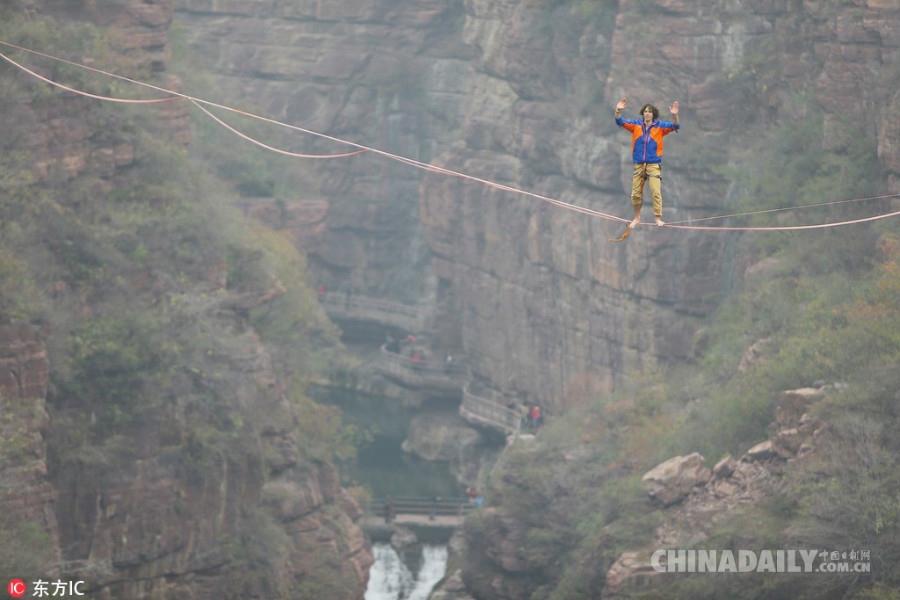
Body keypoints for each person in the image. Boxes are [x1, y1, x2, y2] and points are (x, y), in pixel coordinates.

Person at [614, 97, 680, 228]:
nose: (647, 113)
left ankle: (657, 218)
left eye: (649, 111)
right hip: (639, 164)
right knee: (635, 193)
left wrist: (674, 116)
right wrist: (617, 110)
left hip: (653, 164)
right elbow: (619, 121)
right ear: (643, 113)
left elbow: (675, 126)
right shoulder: (636, 125)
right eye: (645, 111)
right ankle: (637, 217)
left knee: (656, 191)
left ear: (653, 114)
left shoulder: (660, 127)